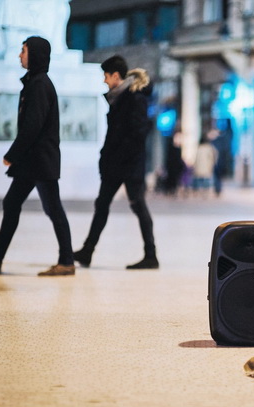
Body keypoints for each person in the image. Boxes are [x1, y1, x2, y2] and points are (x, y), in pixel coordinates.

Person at [0, 37, 75, 276]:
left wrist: (12, 154)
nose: (20, 55)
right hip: (34, 161)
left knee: (53, 208)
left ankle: (67, 261)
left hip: (39, 160)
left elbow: (33, 126)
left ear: (35, 55)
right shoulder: (35, 82)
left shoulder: (39, 85)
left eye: (24, 51)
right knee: (13, 203)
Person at [73, 55, 158, 269]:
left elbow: (138, 133)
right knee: (102, 205)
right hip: (117, 164)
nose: (104, 80)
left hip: (127, 165)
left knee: (138, 206)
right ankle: (87, 251)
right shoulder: (119, 98)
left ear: (116, 76)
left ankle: (151, 255)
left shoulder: (134, 98)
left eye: (106, 76)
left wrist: (118, 157)